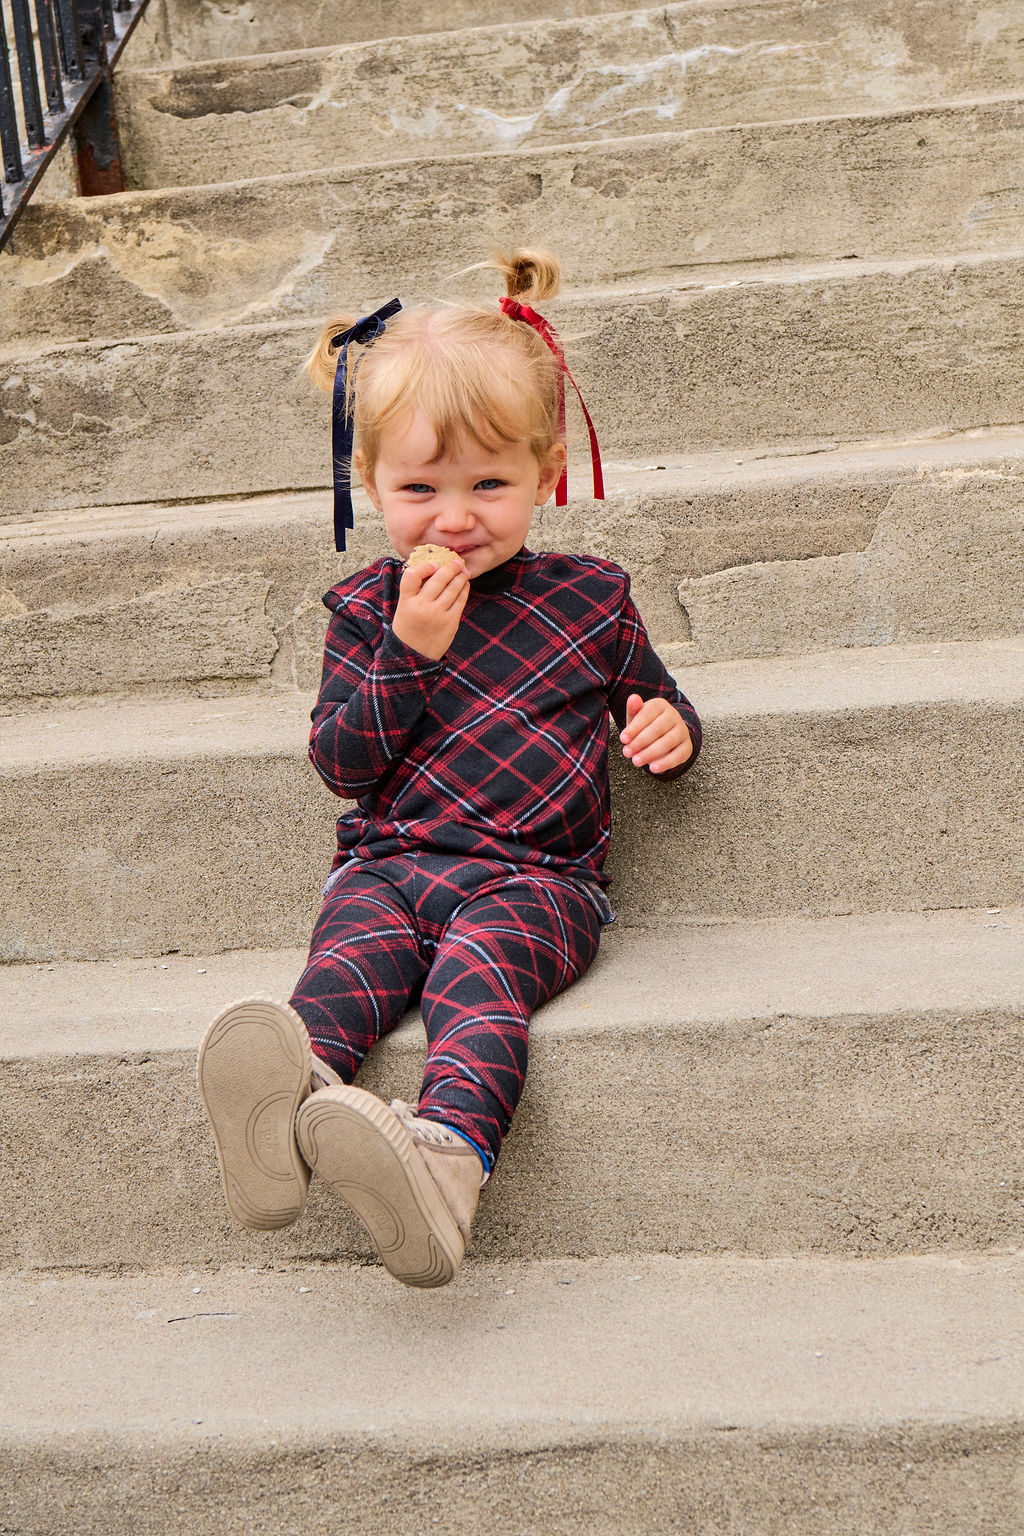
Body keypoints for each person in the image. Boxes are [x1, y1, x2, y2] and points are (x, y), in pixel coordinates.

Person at [197, 249, 702, 1288]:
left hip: (536, 882)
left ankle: (443, 1173)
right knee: (350, 966)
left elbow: (650, 697)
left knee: (479, 973)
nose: (455, 516)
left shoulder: (590, 599)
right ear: (371, 483)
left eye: (489, 484)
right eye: (420, 487)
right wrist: (407, 656)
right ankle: (281, 1115)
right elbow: (340, 762)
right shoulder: (367, 615)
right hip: (387, 863)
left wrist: (668, 731)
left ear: (546, 474)